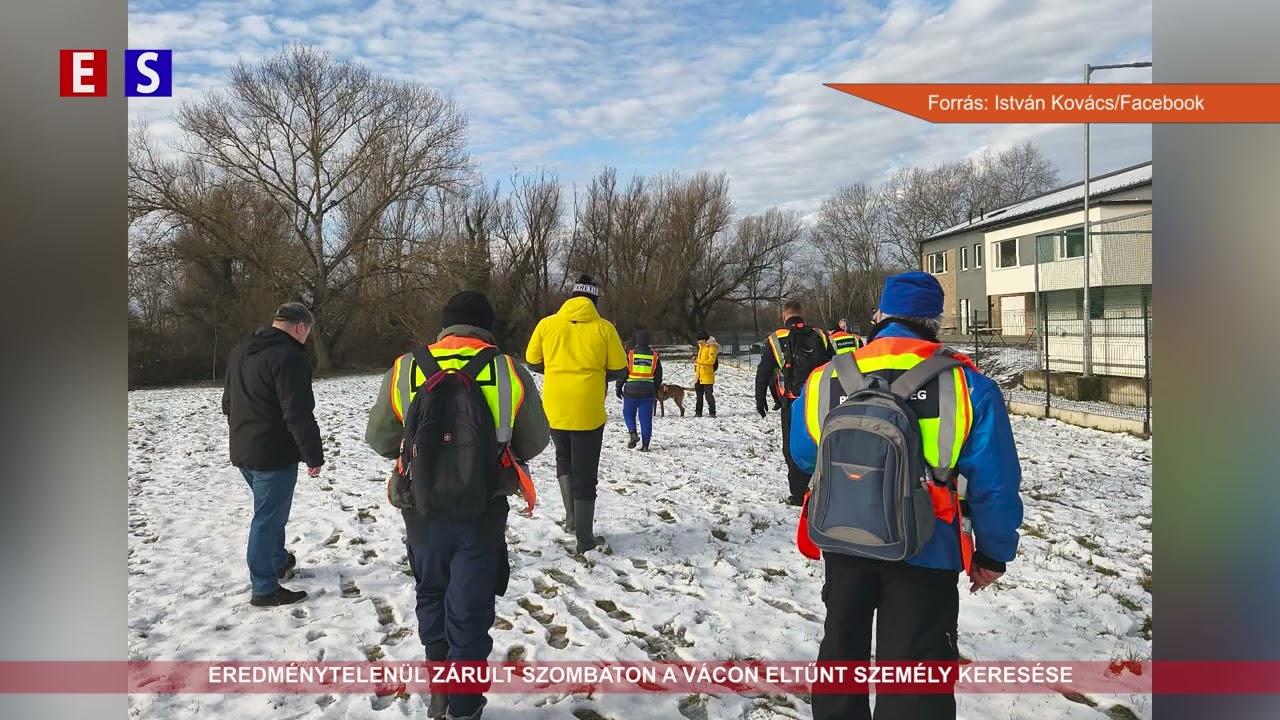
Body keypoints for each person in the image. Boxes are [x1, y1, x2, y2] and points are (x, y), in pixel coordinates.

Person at [789, 271, 1024, 720]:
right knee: (916, 672)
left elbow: (803, 455)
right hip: (927, 545)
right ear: (933, 320)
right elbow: (994, 483)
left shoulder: (827, 377)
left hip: (844, 534)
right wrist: (993, 555)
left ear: (880, 315)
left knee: (841, 652)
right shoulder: (967, 385)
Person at [364, 290, 550, 720]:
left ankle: (440, 691)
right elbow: (535, 441)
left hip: (421, 506)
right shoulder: (507, 370)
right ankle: (466, 705)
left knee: (431, 591)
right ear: (486, 327)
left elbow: (380, 440)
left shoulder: (406, 367)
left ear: (444, 326)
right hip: (482, 507)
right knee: (471, 603)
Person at [222, 302, 324, 607]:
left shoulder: (242, 349)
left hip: (243, 447)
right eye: (308, 332)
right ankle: (265, 587)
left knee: (270, 511)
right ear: (300, 327)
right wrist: (313, 456)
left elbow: (228, 401)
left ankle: (278, 560)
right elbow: (298, 413)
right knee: (266, 519)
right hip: (273, 452)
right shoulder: (290, 357)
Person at [524, 275, 628, 553]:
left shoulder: (547, 325)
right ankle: (585, 538)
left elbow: (532, 361)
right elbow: (620, 369)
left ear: (570, 297)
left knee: (564, 458)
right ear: (594, 300)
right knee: (586, 472)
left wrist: (557, 371)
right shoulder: (604, 329)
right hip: (588, 408)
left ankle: (571, 520)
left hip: (555, 407)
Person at [755, 301, 834, 506]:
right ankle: (827, 486)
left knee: (792, 446)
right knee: (824, 441)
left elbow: (764, 372)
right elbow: (836, 365)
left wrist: (760, 398)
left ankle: (798, 493)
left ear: (784, 316)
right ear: (802, 315)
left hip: (792, 401)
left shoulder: (775, 339)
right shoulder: (821, 335)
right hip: (820, 399)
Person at [615, 330, 663, 451]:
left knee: (628, 413)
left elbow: (623, 372)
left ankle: (633, 433)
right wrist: (656, 390)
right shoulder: (655, 357)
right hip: (648, 392)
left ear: (637, 341)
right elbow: (658, 376)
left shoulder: (630, 355)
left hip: (631, 391)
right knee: (646, 419)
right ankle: (645, 445)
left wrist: (618, 387)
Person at [693, 331, 719, 418]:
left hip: (707, 375)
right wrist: (696, 359)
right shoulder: (701, 347)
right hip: (699, 375)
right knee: (699, 395)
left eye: (699, 340)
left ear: (704, 340)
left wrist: (698, 361)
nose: (698, 342)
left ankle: (712, 412)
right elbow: (701, 359)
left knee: (708, 395)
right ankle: (698, 412)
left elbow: (711, 361)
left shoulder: (711, 347)